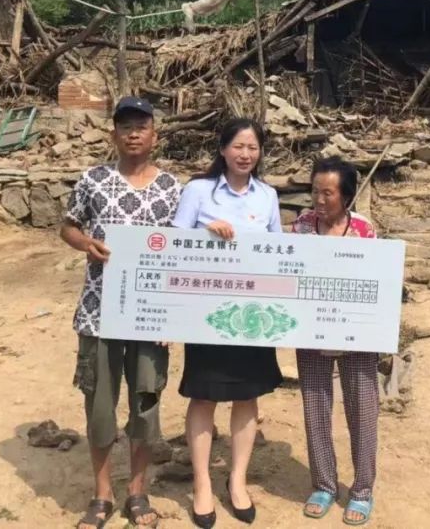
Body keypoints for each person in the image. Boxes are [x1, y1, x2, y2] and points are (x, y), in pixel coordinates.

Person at [60, 97, 182, 529]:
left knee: (145, 403)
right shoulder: (93, 180)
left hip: (148, 315)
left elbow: (182, 252)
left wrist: (171, 315)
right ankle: (101, 493)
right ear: (113, 134)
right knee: (99, 404)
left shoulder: (172, 188)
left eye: (141, 126)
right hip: (99, 311)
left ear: (154, 135)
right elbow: (68, 225)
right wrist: (84, 244)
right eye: (124, 126)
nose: (133, 133)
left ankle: (137, 491)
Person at [171, 118, 282, 528]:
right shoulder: (198, 191)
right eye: (238, 146)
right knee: (203, 396)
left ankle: (237, 480)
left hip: (252, 313)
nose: (245, 154)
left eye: (252, 148)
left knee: (247, 396)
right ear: (222, 149)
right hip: (207, 311)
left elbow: (277, 251)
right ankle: (202, 482)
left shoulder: (267, 196)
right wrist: (207, 234)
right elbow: (173, 244)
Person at [292, 156, 379, 526]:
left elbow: (377, 283)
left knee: (362, 409)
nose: (320, 200)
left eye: (328, 193)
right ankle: (325, 484)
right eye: (315, 191)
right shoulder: (300, 227)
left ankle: (361, 490)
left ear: (346, 195)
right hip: (312, 333)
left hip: (355, 335)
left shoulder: (364, 230)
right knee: (315, 407)